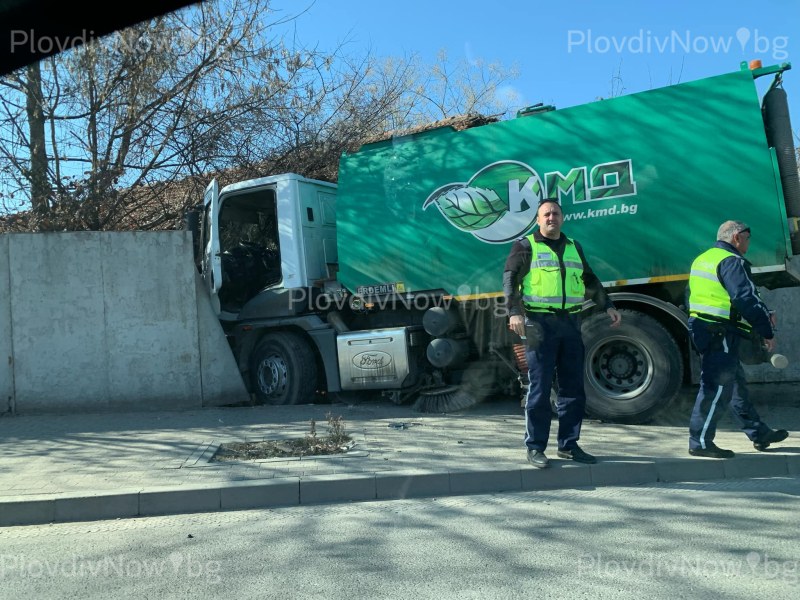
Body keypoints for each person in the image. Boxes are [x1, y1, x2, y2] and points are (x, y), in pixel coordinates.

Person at [504, 198, 621, 468]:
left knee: (573, 388)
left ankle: (568, 445)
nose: (551, 218)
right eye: (545, 214)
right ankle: (535, 447)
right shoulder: (525, 246)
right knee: (540, 388)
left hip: (570, 323)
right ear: (537, 220)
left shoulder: (573, 247)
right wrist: (514, 312)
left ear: (562, 218)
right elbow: (510, 279)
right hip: (539, 325)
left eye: (555, 213)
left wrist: (608, 306)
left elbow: (588, 280)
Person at [687, 220, 789, 458]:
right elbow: (745, 298)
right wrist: (766, 330)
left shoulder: (703, 259)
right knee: (717, 387)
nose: (749, 242)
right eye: (748, 237)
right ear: (736, 237)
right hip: (719, 331)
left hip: (706, 328)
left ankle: (758, 433)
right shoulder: (732, 261)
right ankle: (700, 442)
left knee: (735, 386)